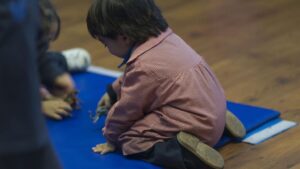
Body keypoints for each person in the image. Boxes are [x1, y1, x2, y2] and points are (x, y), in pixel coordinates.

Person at [86, 0, 245, 169]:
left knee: (131, 139)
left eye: (105, 43)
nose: (106, 47)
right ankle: (219, 121)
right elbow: (132, 77)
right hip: (211, 107)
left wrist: (112, 138)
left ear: (124, 37)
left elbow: (127, 108)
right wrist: (113, 92)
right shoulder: (166, 38)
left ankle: (185, 152)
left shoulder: (143, 66)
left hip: (199, 127)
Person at [0, 0, 62, 168]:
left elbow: (34, 52)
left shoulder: (27, 8)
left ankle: (63, 60)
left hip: (32, 136)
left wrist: (55, 75)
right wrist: (40, 105)